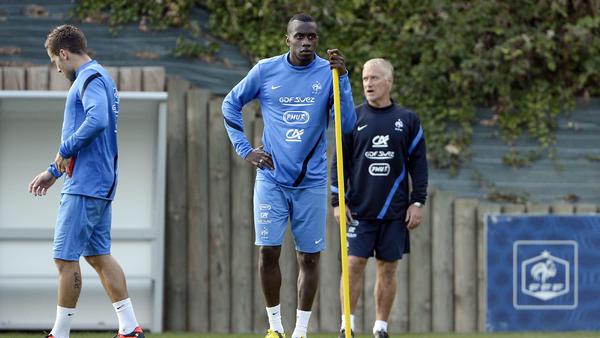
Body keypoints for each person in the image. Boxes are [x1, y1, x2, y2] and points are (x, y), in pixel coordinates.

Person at [222, 13, 356, 338]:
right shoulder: (266, 70)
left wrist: (343, 78)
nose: (307, 42)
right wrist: (245, 149)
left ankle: (300, 331)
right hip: (271, 179)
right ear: (288, 39)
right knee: (268, 251)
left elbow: (347, 125)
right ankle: (275, 328)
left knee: (308, 258)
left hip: (310, 181)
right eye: (300, 36)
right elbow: (230, 104)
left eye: (312, 37)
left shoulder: (328, 73)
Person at [27, 25, 144, 338]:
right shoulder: (102, 77)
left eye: (56, 62)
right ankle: (130, 327)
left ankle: (60, 333)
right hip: (99, 182)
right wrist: (54, 172)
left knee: (64, 259)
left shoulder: (88, 78)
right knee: (97, 255)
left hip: (86, 184)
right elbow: (91, 130)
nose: (58, 68)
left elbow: (97, 120)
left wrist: (61, 154)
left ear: (64, 53)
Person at [331, 58, 428, 338]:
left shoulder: (408, 120)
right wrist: (338, 201)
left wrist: (417, 201)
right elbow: (340, 161)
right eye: (364, 79)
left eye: (374, 78)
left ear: (389, 81)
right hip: (359, 210)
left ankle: (380, 329)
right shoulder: (352, 118)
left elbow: (419, 165)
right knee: (353, 264)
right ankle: (346, 326)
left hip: (395, 211)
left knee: (388, 268)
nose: (368, 84)